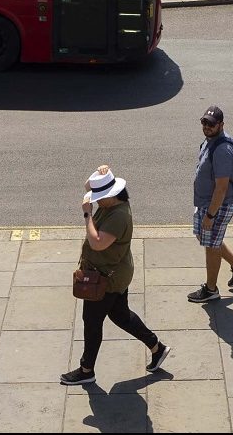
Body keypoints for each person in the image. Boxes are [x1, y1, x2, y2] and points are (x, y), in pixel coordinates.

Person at [62, 165, 168, 386]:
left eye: (100, 198)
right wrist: (100, 174)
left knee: (91, 321)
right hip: (117, 271)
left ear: (111, 196)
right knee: (120, 315)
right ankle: (157, 348)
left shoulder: (118, 217)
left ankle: (86, 369)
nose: (97, 201)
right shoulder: (115, 204)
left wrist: (87, 215)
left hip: (106, 278)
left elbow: (97, 242)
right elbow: (88, 187)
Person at [187, 105, 233, 302]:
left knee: (211, 245)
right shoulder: (209, 141)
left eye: (211, 124)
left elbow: (221, 188)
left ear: (221, 125)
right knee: (204, 237)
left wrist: (210, 215)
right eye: (204, 122)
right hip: (206, 203)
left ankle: (211, 290)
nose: (207, 126)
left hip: (217, 205)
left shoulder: (223, 150)